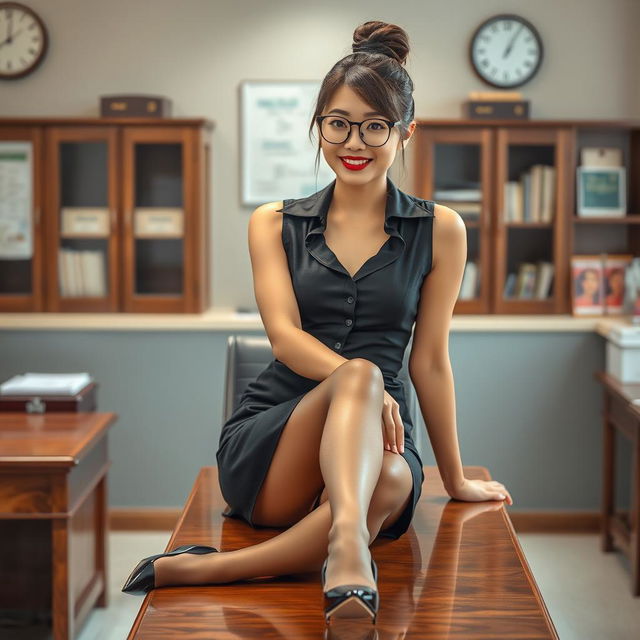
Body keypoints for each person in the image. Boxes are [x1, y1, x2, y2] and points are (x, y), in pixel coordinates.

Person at [122, 20, 514, 624]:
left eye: (375, 125)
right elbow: (283, 337)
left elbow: (430, 359)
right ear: (319, 126)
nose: (353, 141)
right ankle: (351, 552)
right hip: (278, 440)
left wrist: (456, 478)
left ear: (406, 133)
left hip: (382, 443)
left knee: (389, 481)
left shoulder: (442, 230)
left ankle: (222, 565)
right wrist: (363, 379)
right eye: (337, 122)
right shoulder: (272, 222)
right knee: (359, 375)